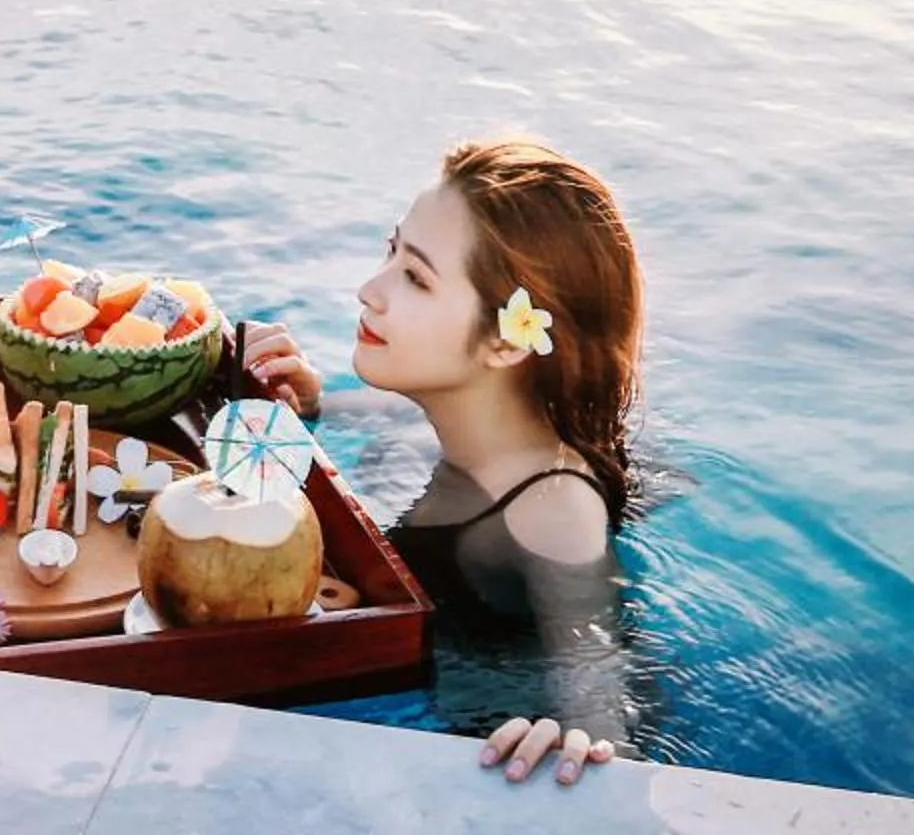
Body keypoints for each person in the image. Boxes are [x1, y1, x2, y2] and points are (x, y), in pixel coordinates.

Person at [237, 138, 646, 789]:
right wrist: (310, 400)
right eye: (391, 251)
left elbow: (606, 700)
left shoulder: (553, 507)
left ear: (505, 342)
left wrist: (574, 736)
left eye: (417, 277)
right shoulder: (441, 409)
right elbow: (364, 413)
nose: (370, 291)